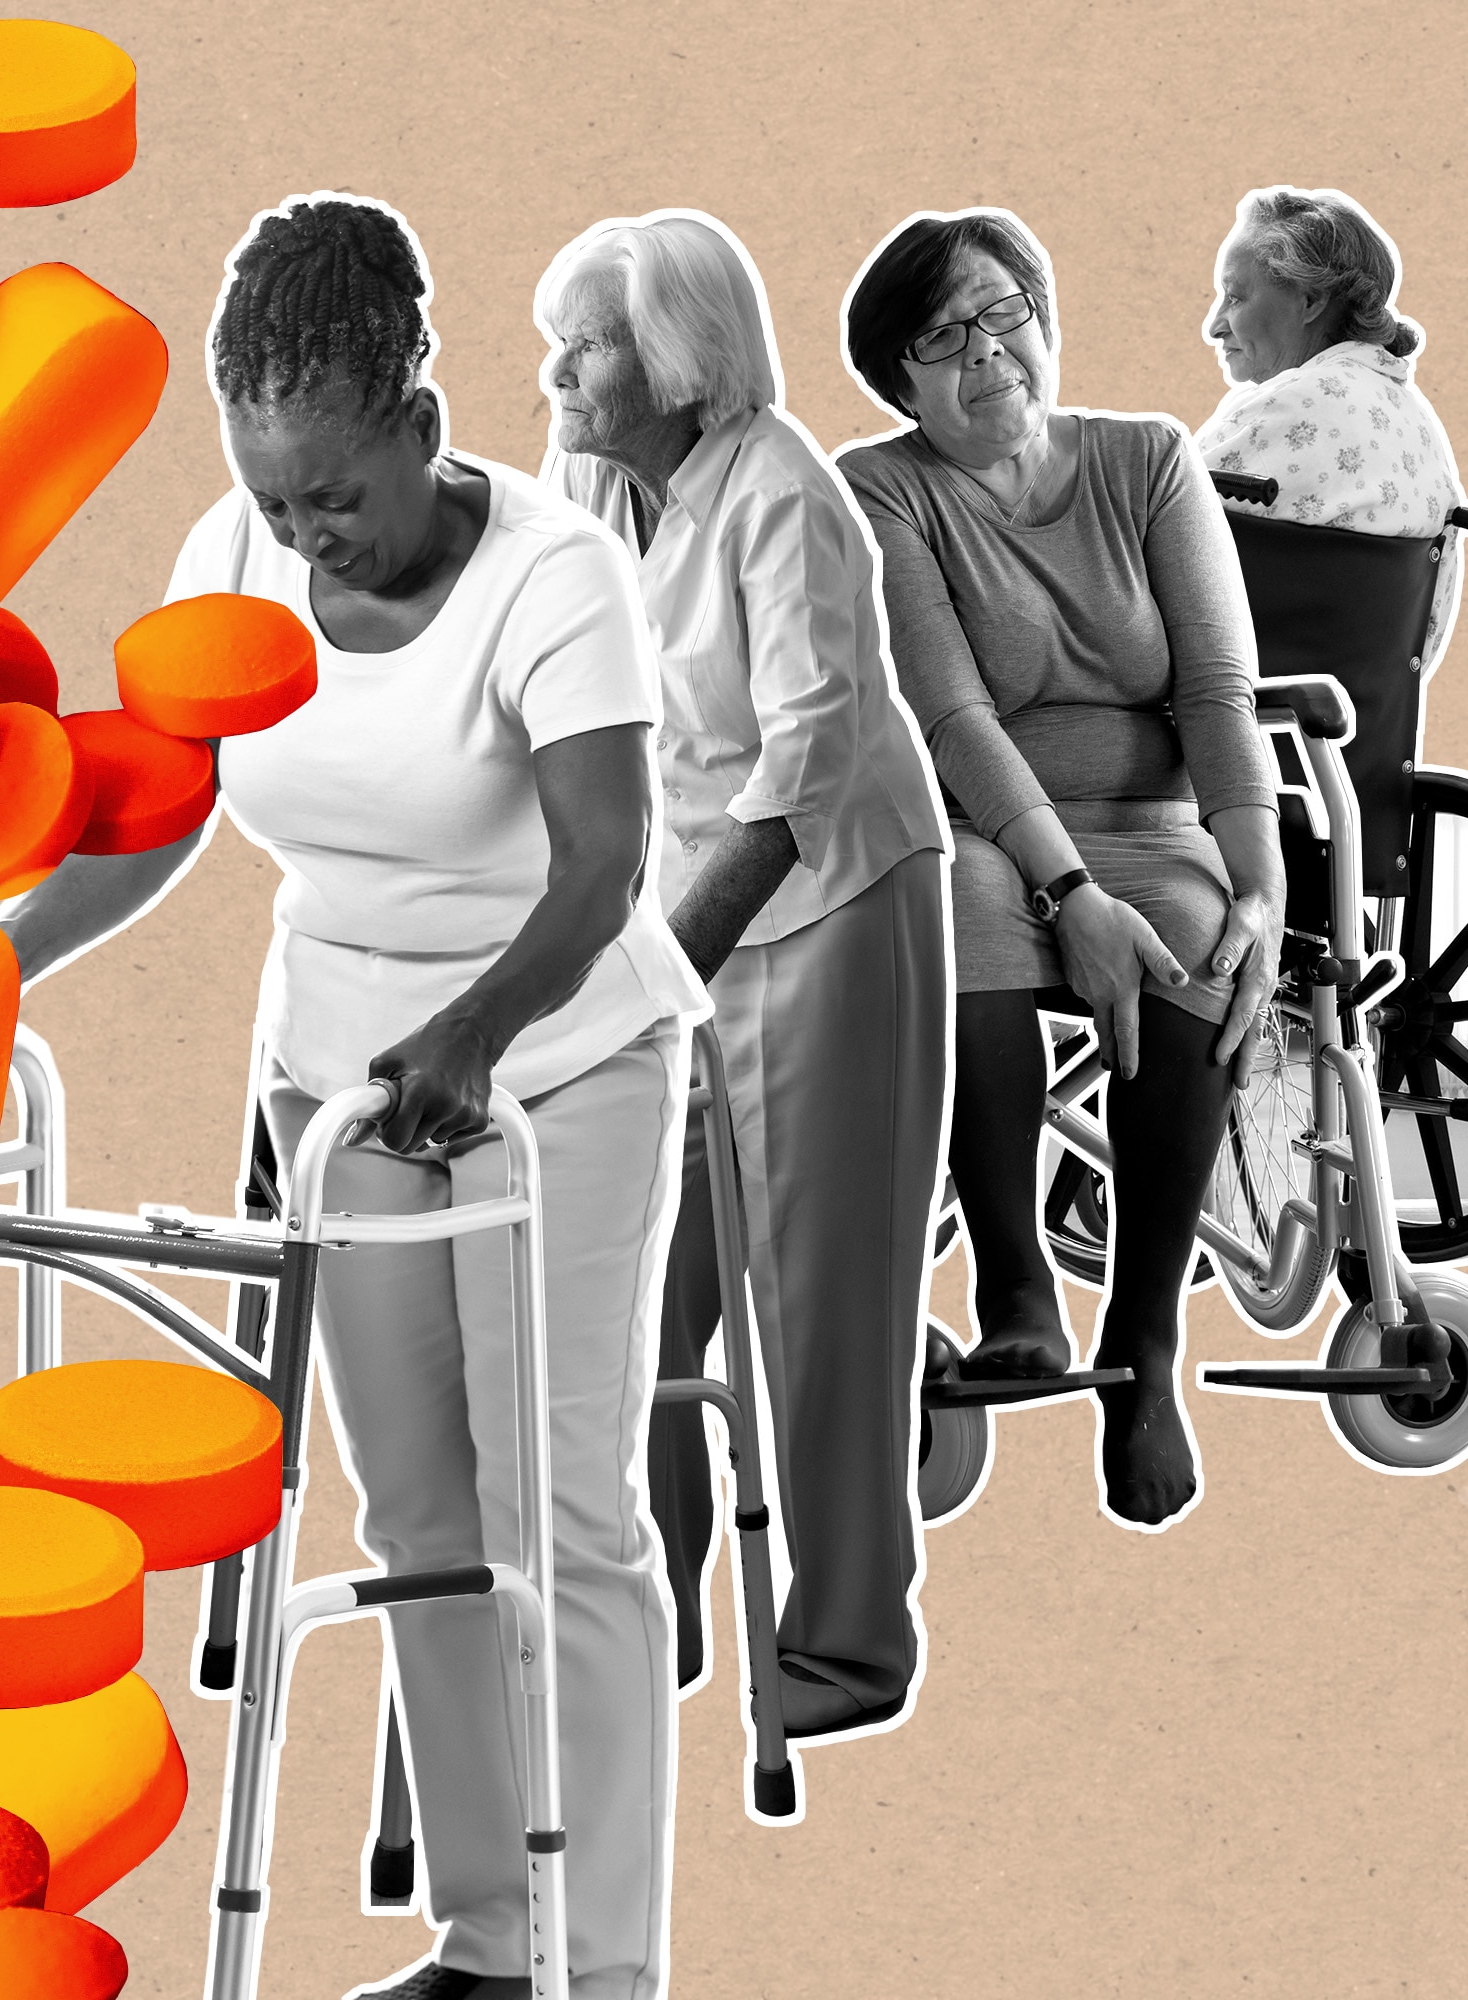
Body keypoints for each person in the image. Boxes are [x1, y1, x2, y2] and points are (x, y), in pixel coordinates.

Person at [2, 192, 699, 2000]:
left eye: (336, 493)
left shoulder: (554, 578)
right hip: (345, 1077)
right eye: (276, 496)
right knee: (418, 1518)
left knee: (569, 1515)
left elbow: (605, 866)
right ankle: (488, 1938)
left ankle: (604, 1970)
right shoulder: (231, 555)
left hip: (562, 1055)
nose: (304, 531)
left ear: (419, 414)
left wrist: (470, 1041)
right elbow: (148, 817)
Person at [536, 210, 948, 1740]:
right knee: (644, 1284)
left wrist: (661, 963)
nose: (555, 368)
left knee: (824, 1297)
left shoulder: (783, 493)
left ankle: (845, 1651)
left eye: (585, 341)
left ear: (683, 363)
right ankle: (653, 1625)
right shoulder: (597, 494)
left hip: (834, 900)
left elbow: (810, 758)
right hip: (688, 911)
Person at [835, 207, 1287, 1531]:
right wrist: (1065, 895)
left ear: (1042, 316)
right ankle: (1016, 1286)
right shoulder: (883, 489)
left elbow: (1215, 689)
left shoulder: (1147, 459)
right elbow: (953, 716)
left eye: (1001, 315)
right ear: (899, 378)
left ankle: (1144, 1351)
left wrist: (1260, 889)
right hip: (985, 829)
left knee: (1209, 937)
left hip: (1157, 833)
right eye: (942, 338)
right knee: (957, 893)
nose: (986, 353)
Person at [1197, 184, 1464, 671]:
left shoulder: (1284, 408)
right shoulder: (1419, 426)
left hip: (1230, 732)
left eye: (1234, 297)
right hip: (1366, 738)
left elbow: (1129, 560)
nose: (1214, 325)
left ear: (1310, 301)